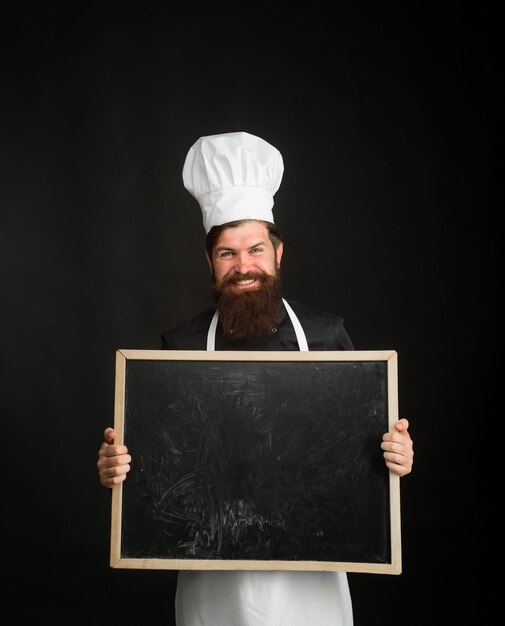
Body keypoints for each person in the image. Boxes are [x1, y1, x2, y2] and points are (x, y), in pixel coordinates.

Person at [97, 131, 414, 626]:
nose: (243, 267)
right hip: (211, 576)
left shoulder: (328, 335)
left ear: (278, 253)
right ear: (209, 261)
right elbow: (156, 474)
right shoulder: (178, 347)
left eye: (255, 249)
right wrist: (118, 468)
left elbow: (367, 454)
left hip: (314, 576)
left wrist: (397, 457)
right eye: (227, 253)